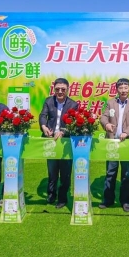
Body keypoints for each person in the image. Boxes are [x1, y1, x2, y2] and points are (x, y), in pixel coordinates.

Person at [98, 78, 129, 212]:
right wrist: (106, 124)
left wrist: (127, 132)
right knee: (110, 172)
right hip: (112, 142)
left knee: (127, 174)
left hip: (127, 144)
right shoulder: (110, 103)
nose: (123, 90)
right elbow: (103, 117)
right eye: (121, 88)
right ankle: (108, 199)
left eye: (125, 88)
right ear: (117, 89)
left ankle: (125, 201)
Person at [39, 78, 79, 209]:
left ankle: (62, 198)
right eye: (57, 89)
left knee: (65, 172)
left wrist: (63, 131)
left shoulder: (73, 105)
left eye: (63, 89)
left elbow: (74, 123)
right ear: (54, 89)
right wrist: (44, 126)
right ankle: (51, 195)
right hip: (51, 140)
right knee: (52, 171)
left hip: (65, 142)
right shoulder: (48, 101)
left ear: (67, 89)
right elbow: (43, 115)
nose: (60, 92)